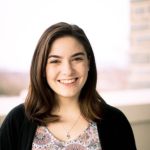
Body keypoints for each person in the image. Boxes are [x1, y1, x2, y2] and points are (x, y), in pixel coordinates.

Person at [0, 22, 137, 150]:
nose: (68, 70)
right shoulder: (17, 121)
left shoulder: (116, 122)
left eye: (77, 59)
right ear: (42, 67)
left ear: (88, 63)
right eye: (55, 61)